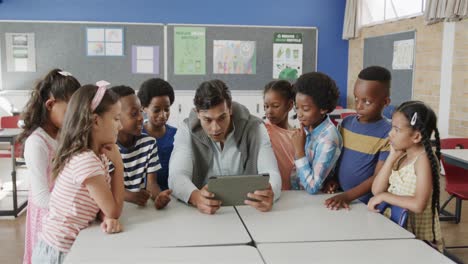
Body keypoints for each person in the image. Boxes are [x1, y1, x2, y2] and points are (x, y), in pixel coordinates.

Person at [32, 82, 125, 263]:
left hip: (65, 248)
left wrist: (105, 216)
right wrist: (119, 166)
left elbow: (101, 206)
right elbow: (113, 209)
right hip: (57, 253)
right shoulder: (86, 160)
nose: (120, 126)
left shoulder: (97, 156)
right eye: (116, 119)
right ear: (95, 121)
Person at [168, 79, 281, 214]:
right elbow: (177, 176)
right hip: (203, 215)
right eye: (207, 120)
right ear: (197, 113)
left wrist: (271, 193)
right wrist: (195, 197)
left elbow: (272, 173)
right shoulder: (186, 129)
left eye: (222, 118)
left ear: (230, 110)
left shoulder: (255, 127)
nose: (215, 128)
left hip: (249, 212)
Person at [18, 69, 81, 264]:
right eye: (70, 111)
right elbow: (41, 198)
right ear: (50, 105)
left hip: (65, 217)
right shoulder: (36, 143)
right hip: (49, 222)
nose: (75, 118)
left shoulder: (63, 135)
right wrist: (74, 208)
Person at [368, 101, 443, 252]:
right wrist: (391, 158)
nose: (390, 134)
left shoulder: (423, 160)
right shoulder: (402, 156)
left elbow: (418, 204)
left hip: (418, 242)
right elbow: (376, 190)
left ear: (416, 136)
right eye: (391, 128)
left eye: (396, 129)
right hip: (397, 232)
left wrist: (384, 197)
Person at [324, 66, 392, 210]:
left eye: (367, 102)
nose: (358, 106)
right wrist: (334, 179)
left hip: (366, 204)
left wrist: (348, 196)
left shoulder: (389, 133)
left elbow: (378, 177)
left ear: (385, 102)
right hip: (341, 197)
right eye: (356, 99)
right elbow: (339, 159)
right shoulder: (347, 123)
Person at [110, 85, 171, 209]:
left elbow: (151, 184)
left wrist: (158, 196)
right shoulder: (107, 149)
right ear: (116, 117)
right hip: (116, 209)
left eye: (140, 112)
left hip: (141, 211)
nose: (140, 118)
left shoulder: (149, 143)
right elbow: (109, 187)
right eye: (134, 114)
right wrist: (129, 196)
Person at [291, 72, 342, 193]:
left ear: (323, 108)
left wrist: (299, 151)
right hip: (296, 195)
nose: (299, 114)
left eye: (305, 109)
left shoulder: (329, 139)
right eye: (296, 107)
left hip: (313, 203)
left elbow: (312, 186)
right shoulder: (307, 126)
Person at [137, 78, 177, 191]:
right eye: (156, 110)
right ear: (144, 108)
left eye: (167, 109)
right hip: (145, 196)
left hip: (173, 194)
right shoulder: (137, 136)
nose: (163, 115)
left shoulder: (177, 135)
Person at [263, 80, 296, 190]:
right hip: (271, 192)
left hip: (293, 193)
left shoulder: (297, 134)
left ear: (290, 105)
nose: (269, 112)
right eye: (266, 106)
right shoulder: (264, 130)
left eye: (275, 106)